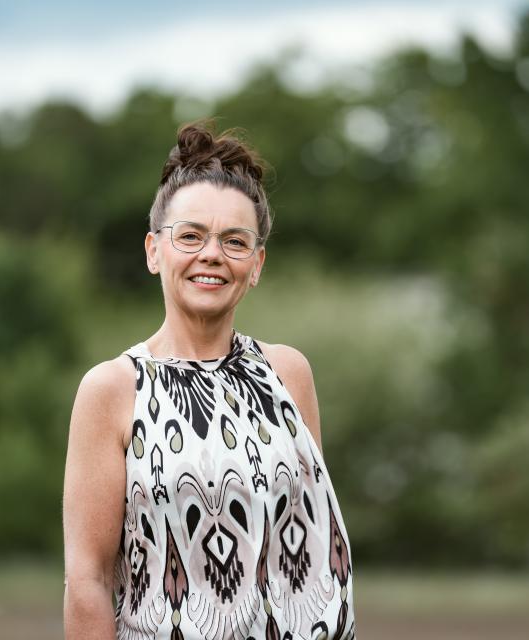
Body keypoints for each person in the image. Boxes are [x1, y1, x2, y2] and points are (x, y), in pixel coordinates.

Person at [62, 122, 355, 640]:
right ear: (154, 250)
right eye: (190, 235)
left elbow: (314, 550)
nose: (212, 254)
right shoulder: (112, 390)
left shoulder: (289, 374)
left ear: (256, 265)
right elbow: (88, 579)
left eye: (234, 241)